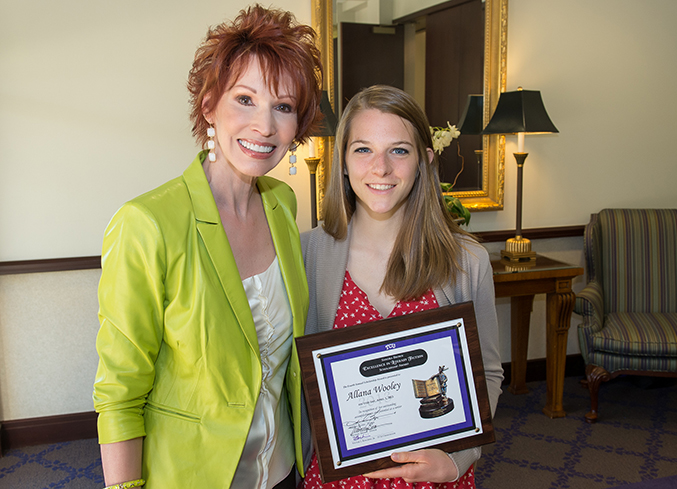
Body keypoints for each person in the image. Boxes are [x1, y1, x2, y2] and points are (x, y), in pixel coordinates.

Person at [93, 5, 322, 488]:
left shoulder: (283, 205)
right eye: (245, 99)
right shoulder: (148, 223)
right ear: (209, 105)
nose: (264, 125)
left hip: (281, 469)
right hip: (193, 476)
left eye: (283, 107)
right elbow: (119, 392)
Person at [299, 85, 504, 488]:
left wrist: (459, 459)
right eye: (362, 149)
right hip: (337, 479)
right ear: (341, 160)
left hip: (433, 477)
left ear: (424, 160)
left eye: (398, 150)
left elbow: (489, 373)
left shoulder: (467, 261)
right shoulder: (306, 254)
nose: (381, 168)